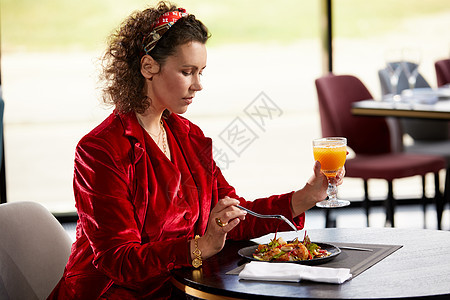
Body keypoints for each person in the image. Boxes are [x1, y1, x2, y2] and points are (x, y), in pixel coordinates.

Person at [48, 1, 344, 299]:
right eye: (187, 72)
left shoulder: (188, 136)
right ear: (148, 66)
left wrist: (305, 196)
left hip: (182, 289)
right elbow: (118, 260)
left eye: (201, 72)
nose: (198, 84)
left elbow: (232, 214)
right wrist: (200, 247)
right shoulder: (100, 150)